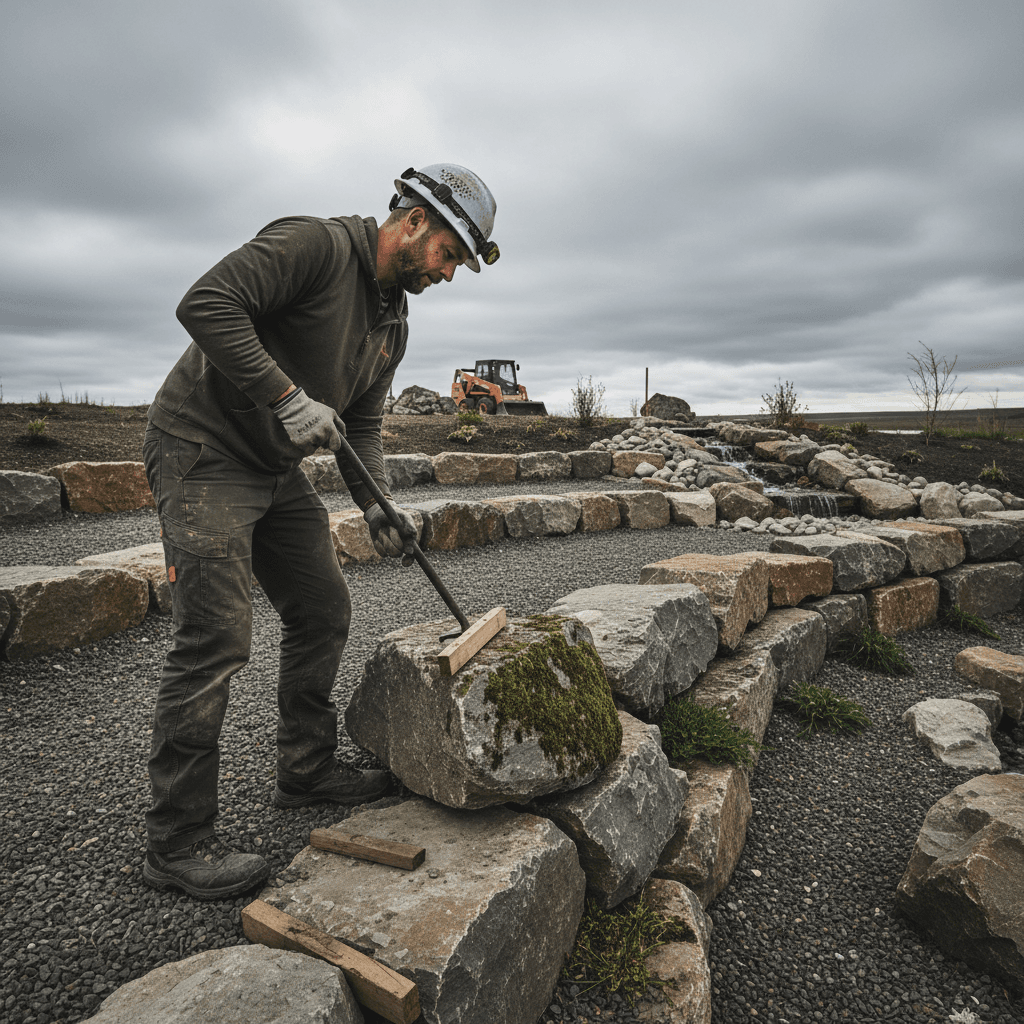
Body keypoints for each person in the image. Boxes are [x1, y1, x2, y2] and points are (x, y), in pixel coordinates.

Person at [140, 164, 499, 899]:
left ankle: (304, 771)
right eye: (449, 255)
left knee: (322, 607)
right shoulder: (314, 246)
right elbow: (204, 303)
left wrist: (378, 504)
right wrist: (284, 395)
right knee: (214, 638)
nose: (449, 274)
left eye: (460, 264)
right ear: (414, 222)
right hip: (202, 449)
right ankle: (176, 841)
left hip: (273, 467)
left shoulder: (392, 320)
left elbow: (362, 422)